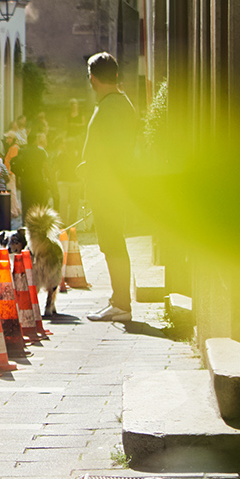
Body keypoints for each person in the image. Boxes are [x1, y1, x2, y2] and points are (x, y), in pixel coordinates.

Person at [81, 51, 140, 324]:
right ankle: (119, 302)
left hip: (109, 189)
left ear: (92, 79)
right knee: (111, 243)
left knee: (113, 243)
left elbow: (114, 153)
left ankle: (121, 304)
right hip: (110, 186)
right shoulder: (117, 104)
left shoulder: (112, 107)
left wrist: (92, 169)